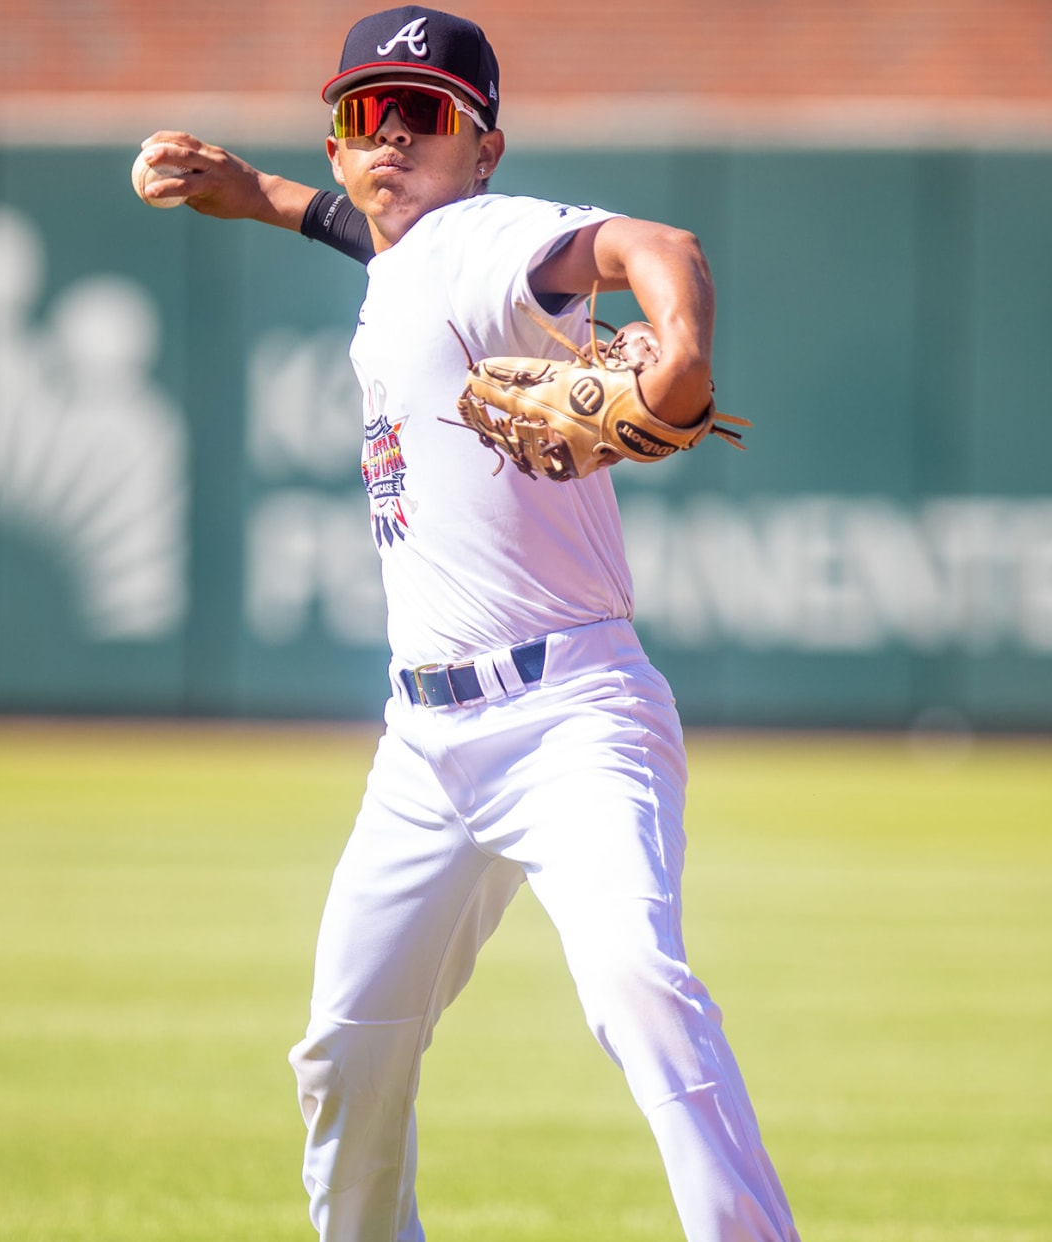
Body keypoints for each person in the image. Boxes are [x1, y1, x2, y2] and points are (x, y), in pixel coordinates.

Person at [138, 8, 801, 1239]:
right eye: (361, 114)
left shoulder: (487, 237)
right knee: (347, 1056)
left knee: (637, 992)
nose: (388, 138)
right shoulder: (411, 259)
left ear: (485, 152)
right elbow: (373, 238)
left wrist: (685, 361)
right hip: (424, 751)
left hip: (568, 721)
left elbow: (661, 246)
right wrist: (259, 192)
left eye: (423, 115)